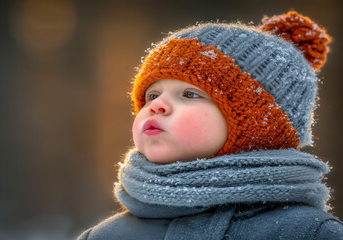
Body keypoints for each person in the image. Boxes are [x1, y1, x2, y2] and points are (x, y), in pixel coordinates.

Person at [78, 11, 343, 239]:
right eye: (152, 95)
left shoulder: (309, 232)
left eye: (191, 94)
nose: (157, 106)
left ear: (257, 127)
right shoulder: (104, 235)